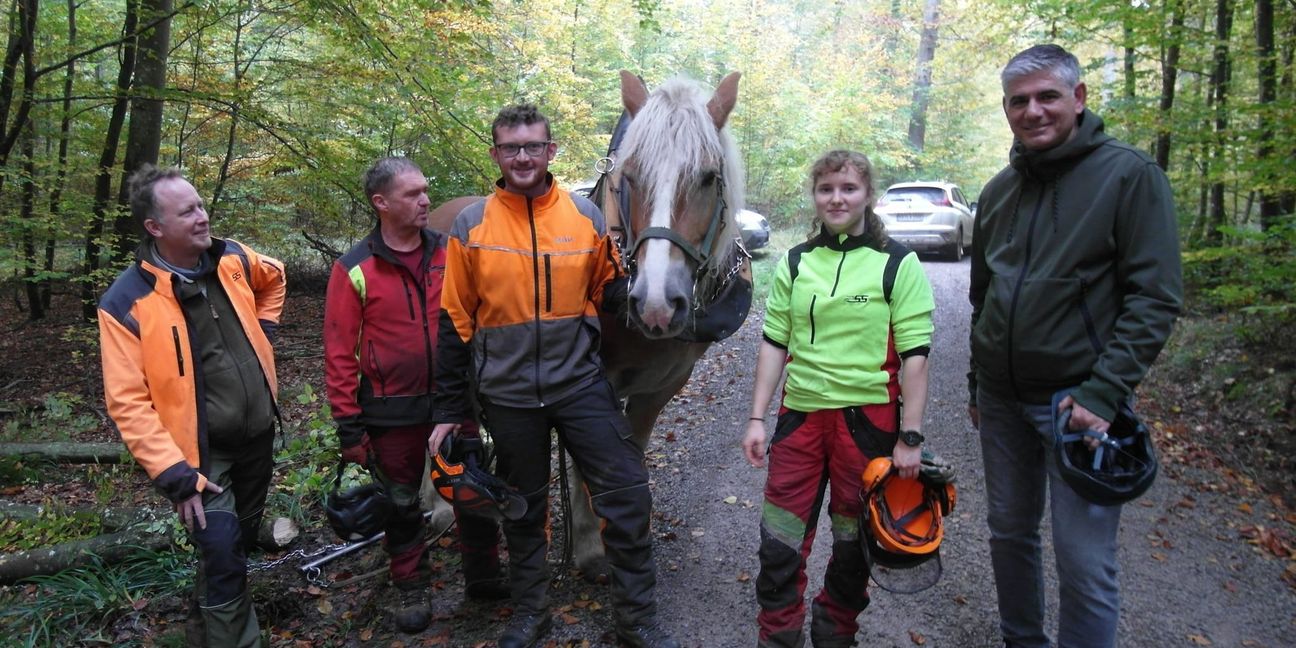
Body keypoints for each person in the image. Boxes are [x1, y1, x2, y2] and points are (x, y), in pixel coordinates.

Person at [428, 104, 677, 648]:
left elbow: (609, 290)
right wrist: (449, 410)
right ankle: (530, 615)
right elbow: (454, 322)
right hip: (510, 393)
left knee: (628, 493)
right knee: (522, 507)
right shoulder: (472, 226)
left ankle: (636, 620)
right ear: (495, 153)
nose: (523, 157)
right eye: (511, 147)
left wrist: (651, 302)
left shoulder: (584, 216)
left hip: (580, 384)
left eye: (533, 146)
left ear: (550, 152)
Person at [968, 44, 1183, 648]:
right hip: (1003, 402)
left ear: (1079, 98)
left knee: (1084, 562)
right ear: (1007, 109)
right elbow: (982, 298)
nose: (1033, 111)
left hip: (1079, 407)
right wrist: (976, 386)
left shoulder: (1129, 176)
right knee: (1009, 534)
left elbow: (1155, 297)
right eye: (1019, 101)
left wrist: (1105, 391)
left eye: (1047, 97)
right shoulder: (999, 192)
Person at [741, 149, 935, 648]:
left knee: (854, 543)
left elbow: (915, 354)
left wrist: (909, 437)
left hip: (867, 427)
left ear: (868, 195)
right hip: (800, 419)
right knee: (779, 540)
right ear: (815, 195)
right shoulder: (796, 261)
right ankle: (778, 637)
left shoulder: (898, 263)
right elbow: (774, 341)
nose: (837, 198)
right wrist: (757, 417)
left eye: (848, 188)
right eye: (826, 189)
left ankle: (836, 631)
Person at [99, 165, 285, 647]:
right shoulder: (127, 302)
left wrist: (263, 333)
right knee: (223, 552)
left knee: (234, 547)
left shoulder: (231, 259)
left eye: (201, 205)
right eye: (188, 212)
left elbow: (276, 276)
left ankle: (204, 628)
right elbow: (127, 402)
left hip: (257, 438)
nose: (203, 217)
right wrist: (174, 475)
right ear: (155, 227)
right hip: (199, 461)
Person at [322, 156, 507, 634]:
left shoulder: (450, 252)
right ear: (380, 202)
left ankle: (484, 575)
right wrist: (349, 425)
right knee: (401, 504)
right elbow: (340, 351)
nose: (425, 200)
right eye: (412, 194)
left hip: (454, 400)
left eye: (425, 190)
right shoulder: (354, 268)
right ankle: (411, 587)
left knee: (472, 489)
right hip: (390, 411)